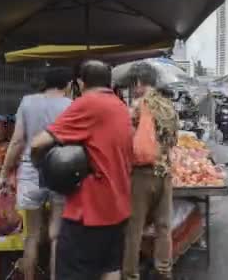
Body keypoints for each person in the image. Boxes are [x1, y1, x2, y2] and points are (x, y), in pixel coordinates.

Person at [31, 60, 133, 280]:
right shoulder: (121, 107)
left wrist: (39, 164)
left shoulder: (87, 103)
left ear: (80, 82)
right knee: (110, 269)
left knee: (71, 273)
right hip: (118, 206)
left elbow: (38, 143)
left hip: (89, 211)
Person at [0, 68, 72, 280]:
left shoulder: (27, 102)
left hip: (30, 170)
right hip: (61, 169)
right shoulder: (70, 106)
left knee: (31, 234)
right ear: (66, 85)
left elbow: (17, 141)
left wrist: (4, 173)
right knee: (56, 234)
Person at [123, 62, 179, 280]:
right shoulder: (168, 106)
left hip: (141, 175)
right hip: (164, 174)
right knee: (163, 227)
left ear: (138, 83)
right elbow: (173, 140)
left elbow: (127, 141)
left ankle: (130, 275)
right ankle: (164, 271)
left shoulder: (137, 106)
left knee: (134, 229)